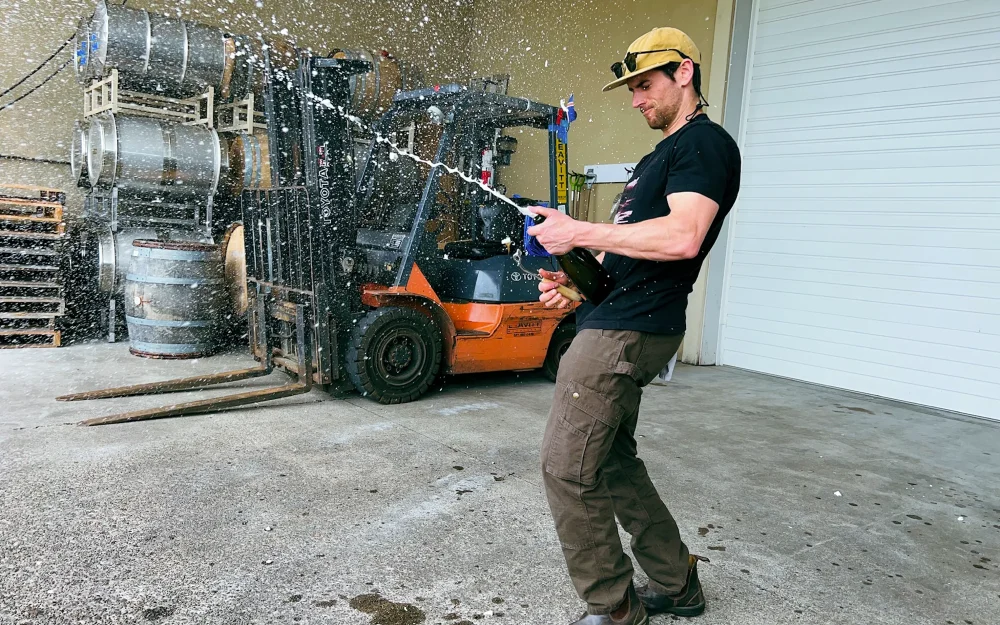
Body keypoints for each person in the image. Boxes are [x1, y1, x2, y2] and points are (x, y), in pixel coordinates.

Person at [526, 26, 742, 625]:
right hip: (614, 316)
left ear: (684, 72)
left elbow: (684, 236)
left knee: (566, 467)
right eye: (632, 89)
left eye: (645, 85)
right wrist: (575, 285)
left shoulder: (704, 145)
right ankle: (677, 581)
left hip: (626, 333)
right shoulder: (655, 159)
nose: (636, 99)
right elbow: (628, 252)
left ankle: (614, 609)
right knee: (612, 462)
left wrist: (578, 229)